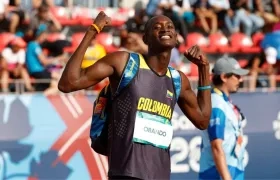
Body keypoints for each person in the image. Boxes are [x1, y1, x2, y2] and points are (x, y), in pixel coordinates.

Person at [58, 11, 212, 180]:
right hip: (125, 173)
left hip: (159, 175)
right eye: (157, 27)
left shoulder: (177, 79)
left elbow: (202, 120)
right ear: (145, 39)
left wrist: (204, 68)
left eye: (169, 27)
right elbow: (68, 83)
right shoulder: (125, 63)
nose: (164, 29)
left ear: (176, 37)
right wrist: (93, 31)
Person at [199, 57, 249, 180]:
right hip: (218, 174)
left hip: (232, 169)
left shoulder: (225, 102)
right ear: (224, 77)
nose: (241, 79)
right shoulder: (217, 104)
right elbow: (216, 146)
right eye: (236, 76)